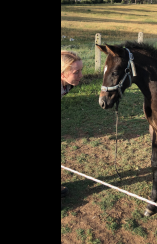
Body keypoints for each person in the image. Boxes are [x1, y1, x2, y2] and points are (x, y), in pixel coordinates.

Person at [61, 50, 83, 202]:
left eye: (81, 70)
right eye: (76, 72)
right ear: (62, 74)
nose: (80, 75)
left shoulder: (67, 85)